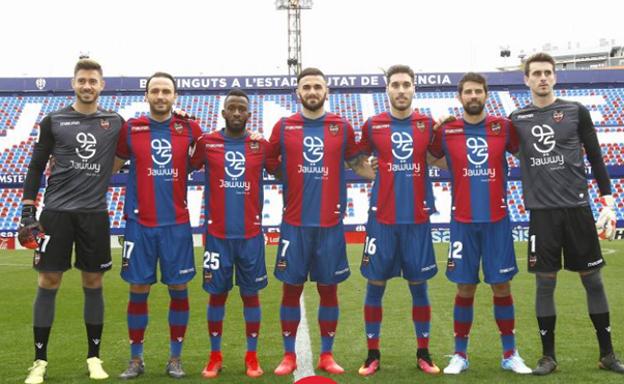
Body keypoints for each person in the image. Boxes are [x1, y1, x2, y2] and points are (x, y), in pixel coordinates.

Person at [510, 52, 623, 375]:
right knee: (545, 285)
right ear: (526, 79)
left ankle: (607, 354)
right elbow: (487, 138)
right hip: (542, 215)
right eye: (536, 73)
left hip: (577, 209)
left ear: (555, 77)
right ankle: (548, 357)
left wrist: (608, 200)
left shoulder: (576, 111)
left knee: (594, 282)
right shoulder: (517, 119)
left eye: (547, 72)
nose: (542, 78)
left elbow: (597, 158)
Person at [20, 58, 123, 384]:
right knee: (48, 283)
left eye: (93, 81)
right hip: (56, 214)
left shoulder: (115, 121)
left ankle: (94, 357)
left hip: (94, 214)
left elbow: (133, 149)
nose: (88, 86)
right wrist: (27, 210)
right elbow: (36, 167)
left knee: (93, 284)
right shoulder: (53, 120)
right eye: (82, 80)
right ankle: (39, 361)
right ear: (74, 83)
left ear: (101, 85)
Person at [267, 67, 374, 376]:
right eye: (307, 87)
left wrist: (393, 169)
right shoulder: (284, 127)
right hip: (294, 224)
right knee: (290, 290)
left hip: (330, 224)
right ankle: (289, 356)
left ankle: (327, 355)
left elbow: (358, 163)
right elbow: (270, 160)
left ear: (327, 92)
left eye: (317, 87)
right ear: (297, 93)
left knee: (329, 291)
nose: (312, 91)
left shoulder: (340, 127)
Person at [429, 72, 531, 375]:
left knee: (501, 286)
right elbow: (430, 157)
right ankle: (460, 354)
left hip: (497, 221)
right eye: (468, 92)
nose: (473, 96)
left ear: (486, 94)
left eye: (478, 91)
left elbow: (526, 153)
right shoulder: (448, 132)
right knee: (465, 288)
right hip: (462, 221)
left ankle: (510, 353)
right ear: (460, 97)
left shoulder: (504, 127)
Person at [115, 72, 202, 379]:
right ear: (147, 95)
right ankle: (136, 359)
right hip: (139, 222)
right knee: (138, 289)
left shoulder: (190, 128)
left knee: (179, 289)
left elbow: (210, 157)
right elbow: (111, 164)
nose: (161, 96)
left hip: (176, 224)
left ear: (175, 96)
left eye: (166, 91)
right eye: (156, 91)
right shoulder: (131, 128)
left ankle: (175, 358)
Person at [356, 64, 441, 376]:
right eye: (396, 85)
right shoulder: (373, 125)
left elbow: (438, 157)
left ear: (413, 88)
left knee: (419, 288)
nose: (401, 90)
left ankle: (424, 353)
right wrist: (369, 172)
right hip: (382, 219)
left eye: (406, 84)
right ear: (387, 89)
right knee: (375, 286)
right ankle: (372, 355)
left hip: (417, 219)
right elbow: (355, 159)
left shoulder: (427, 124)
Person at [190, 88, 277, 379]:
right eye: (232, 108)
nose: (237, 113)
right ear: (224, 112)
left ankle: (252, 357)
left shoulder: (260, 146)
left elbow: (283, 170)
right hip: (217, 236)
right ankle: (215, 356)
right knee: (217, 297)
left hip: (251, 236)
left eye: (242, 108)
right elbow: (184, 163)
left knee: (251, 297)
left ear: (249, 114)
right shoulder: (208, 143)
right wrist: (187, 125)